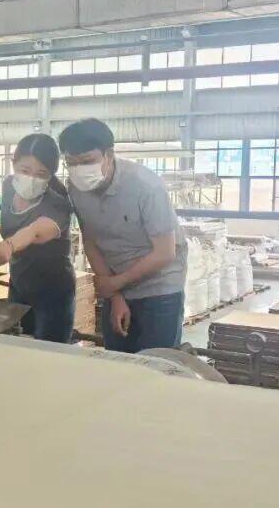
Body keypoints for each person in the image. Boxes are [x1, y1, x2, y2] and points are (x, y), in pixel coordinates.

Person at [58, 118, 187, 353]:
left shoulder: (145, 186)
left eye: (87, 161)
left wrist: (115, 283)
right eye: (71, 163)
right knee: (117, 359)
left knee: (156, 362)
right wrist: (115, 294)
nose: (79, 170)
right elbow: (91, 240)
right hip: (116, 284)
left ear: (108, 154)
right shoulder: (76, 188)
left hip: (159, 287)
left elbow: (164, 253)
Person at [0, 134, 75, 343]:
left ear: (51, 174)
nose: (31, 178)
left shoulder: (58, 202)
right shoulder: (9, 187)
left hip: (53, 291)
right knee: (16, 347)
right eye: (25, 170)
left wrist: (9, 245)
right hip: (19, 285)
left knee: (48, 354)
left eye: (41, 174)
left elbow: (34, 230)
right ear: (13, 163)